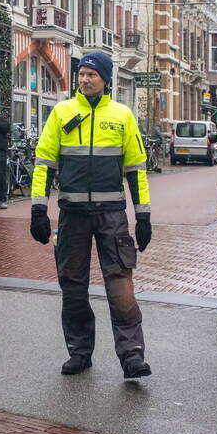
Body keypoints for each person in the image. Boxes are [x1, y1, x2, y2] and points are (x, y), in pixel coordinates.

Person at [29, 52, 153, 379]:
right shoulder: (61, 112)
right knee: (72, 287)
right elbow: (44, 164)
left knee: (120, 287)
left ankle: (132, 356)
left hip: (112, 215)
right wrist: (38, 209)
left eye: (91, 74)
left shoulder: (122, 116)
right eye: (81, 74)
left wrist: (143, 216)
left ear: (105, 79)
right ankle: (80, 352)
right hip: (72, 216)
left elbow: (136, 170)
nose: (84, 79)